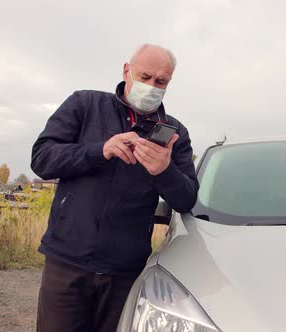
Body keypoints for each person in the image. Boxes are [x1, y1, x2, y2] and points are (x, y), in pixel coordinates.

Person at [31, 44, 198, 332]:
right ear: (126, 70)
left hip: (125, 270)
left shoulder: (176, 134)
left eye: (161, 82)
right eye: (144, 76)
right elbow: (42, 158)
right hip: (67, 260)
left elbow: (186, 199)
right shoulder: (84, 104)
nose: (151, 87)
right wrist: (99, 150)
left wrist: (164, 171)